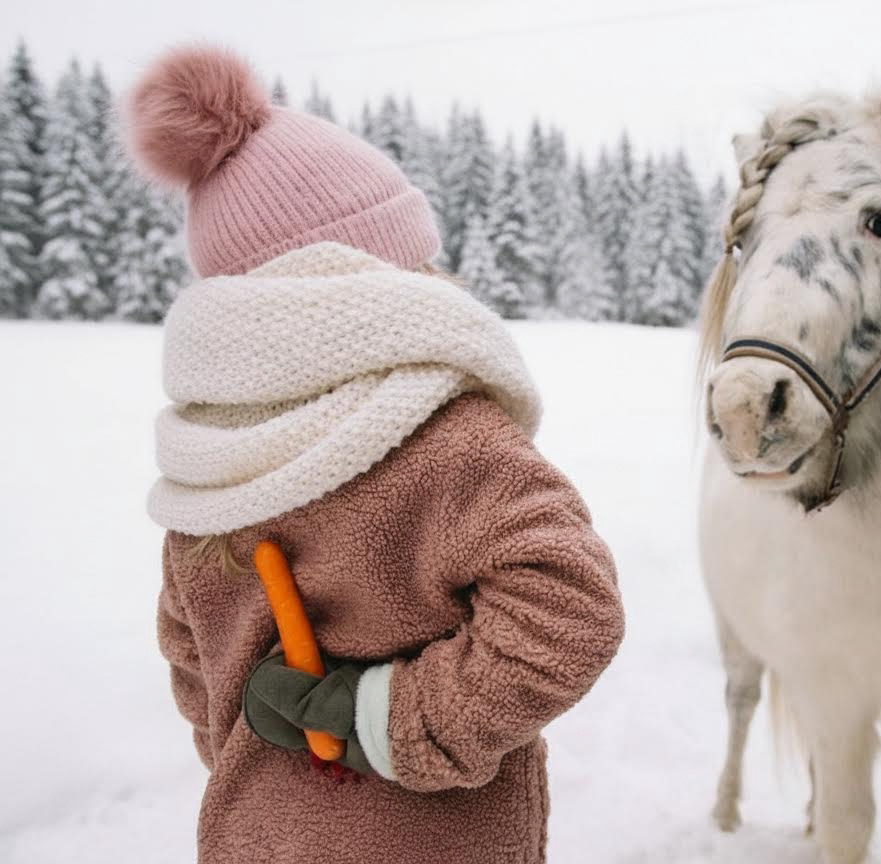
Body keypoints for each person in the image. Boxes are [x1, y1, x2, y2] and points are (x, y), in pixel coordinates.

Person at [129, 45, 625, 864]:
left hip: (254, 837)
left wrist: (273, 783)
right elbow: (570, 608)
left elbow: (194, 670)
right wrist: (395, 726)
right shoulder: (449, 442)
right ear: (382, 276)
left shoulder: (208, 465)